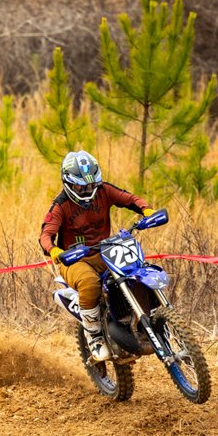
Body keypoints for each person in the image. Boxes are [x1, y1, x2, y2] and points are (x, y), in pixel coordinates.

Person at [38, 150, 154, 364]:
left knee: (135, 268)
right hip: (74, 260)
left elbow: (129, 199)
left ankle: (143, 318)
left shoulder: (104, 191)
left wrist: (146, 210)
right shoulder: (60, 205)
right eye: (81, 186)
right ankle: (95, 337)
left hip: (104, 250)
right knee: (90, 284)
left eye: (91, 185)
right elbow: (46, 235)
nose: (87, 190)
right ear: (68, 183)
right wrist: (55, 251)